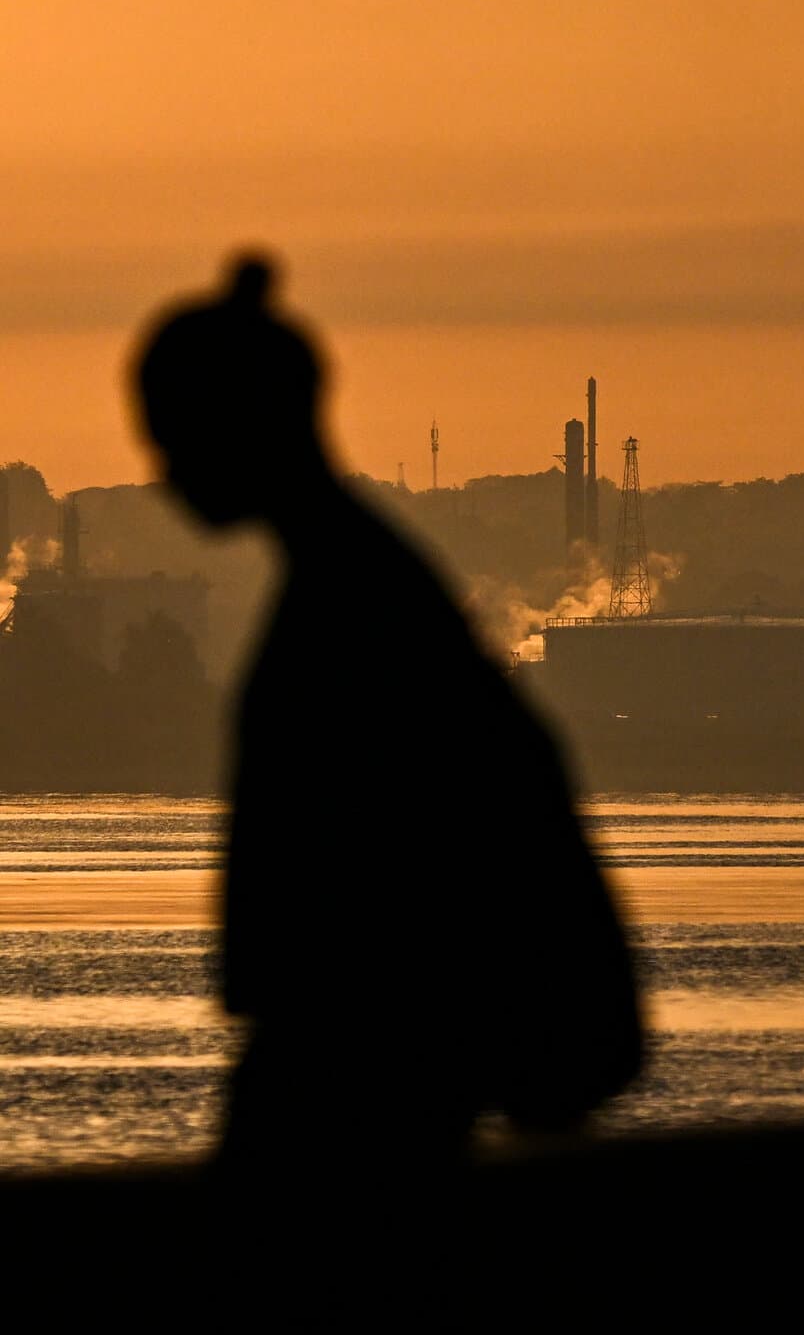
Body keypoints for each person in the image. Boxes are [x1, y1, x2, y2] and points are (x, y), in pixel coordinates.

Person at [133, 254, 641, 1168]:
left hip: (355, 1090)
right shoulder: (372, 582)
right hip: (364, 1073)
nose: (161, 471)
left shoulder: (349, 608)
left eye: (172, 437)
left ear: (237, 423)